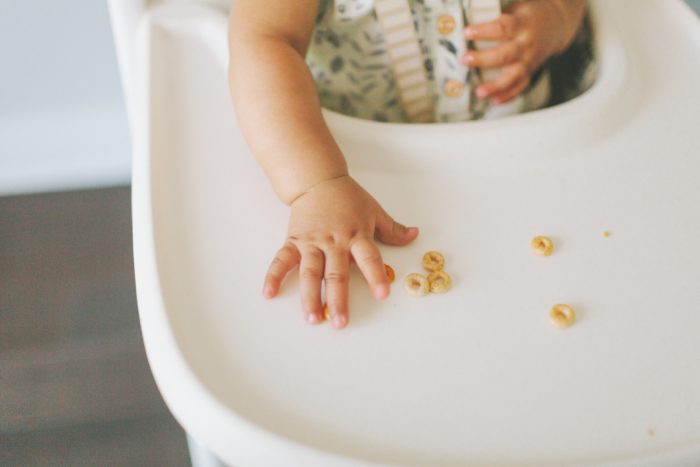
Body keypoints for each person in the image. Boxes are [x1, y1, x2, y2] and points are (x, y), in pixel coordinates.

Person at [228, 0, 588, 329]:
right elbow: (265, 39)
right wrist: (315, 184)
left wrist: (555, 17)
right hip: (355, 159)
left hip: (527, 145)